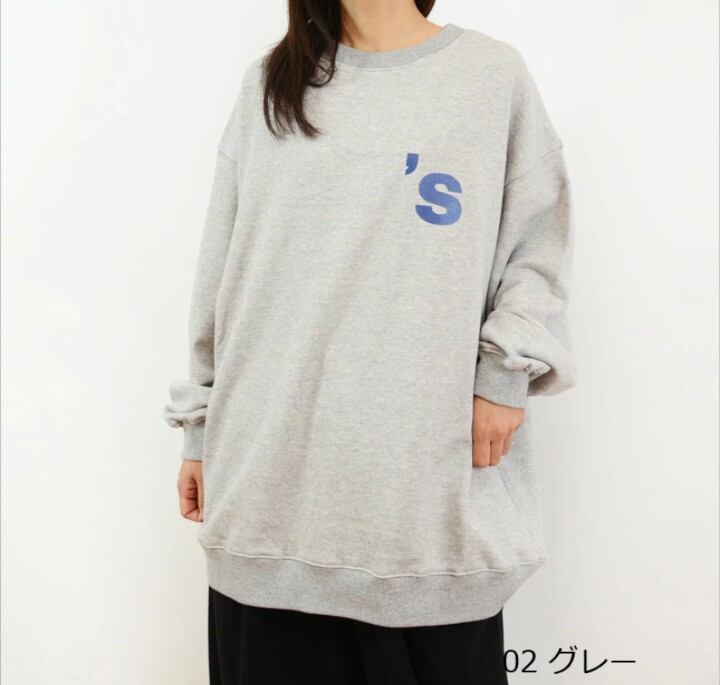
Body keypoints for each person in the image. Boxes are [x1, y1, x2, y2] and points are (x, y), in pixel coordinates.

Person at [163, 1, 575, 682]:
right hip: (268, 498)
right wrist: (200, 428)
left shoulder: (489, 76)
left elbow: (538, 245)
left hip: (426, 508)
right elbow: (223, 273)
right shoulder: (269, 83)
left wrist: (504, 373)